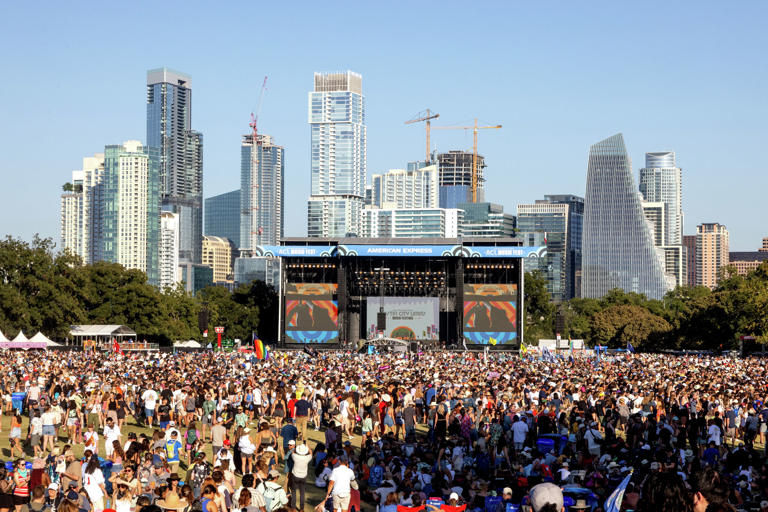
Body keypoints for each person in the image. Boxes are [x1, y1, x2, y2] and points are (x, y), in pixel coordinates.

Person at [289, 443, 312, 511]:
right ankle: (301, 509)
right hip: (303, 476)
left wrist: (296, 448)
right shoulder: (307, 457)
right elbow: (311, 453)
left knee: (293, 492)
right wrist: (307, 446)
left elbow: (293, 452)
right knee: (302, 493)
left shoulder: (295, 456)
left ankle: (293, 508)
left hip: (295, 475)